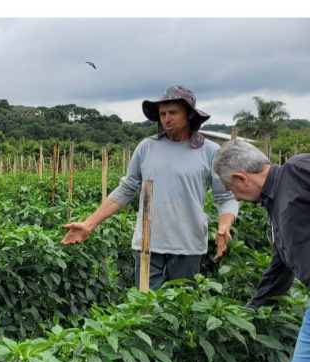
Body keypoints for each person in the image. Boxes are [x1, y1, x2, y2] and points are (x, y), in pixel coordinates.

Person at [211, 139, 310, 362]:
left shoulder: (299, 170)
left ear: (241, 178)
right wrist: (249, 315)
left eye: (230, 189)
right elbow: (279, 269)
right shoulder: (275, 205)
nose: (233, 198)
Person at [61, 86, 239, 289]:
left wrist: (224, 225)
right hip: (147, 245)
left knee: (182, 312)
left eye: (173, 112)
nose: (166, 119)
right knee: (146, 312)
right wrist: (88, 224)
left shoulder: (210, 151)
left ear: (190, 114)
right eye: (162, 114)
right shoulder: (147, 147)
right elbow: (126, 188)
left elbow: (226, 196)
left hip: (189, 246)